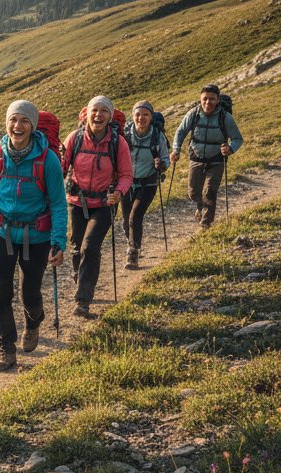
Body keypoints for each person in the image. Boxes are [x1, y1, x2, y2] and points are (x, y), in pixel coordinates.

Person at [0, 101, 67, 370]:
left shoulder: (48, 160)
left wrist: (58, 241)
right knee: (0, 294)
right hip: (1, 232)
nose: (17, 126)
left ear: (32, 126)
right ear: (7, 123)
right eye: (13, 120)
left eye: (24, 121)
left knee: (29, 294)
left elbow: (57, 203)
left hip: (37, 236)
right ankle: (6, 350)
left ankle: (33, 322)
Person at [62, 97, 133, 318]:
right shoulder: (75, 138)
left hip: (104, 203)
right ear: (87, 113)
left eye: (104, 111)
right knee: (76, 248)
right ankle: (80, 277)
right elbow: (61, 167)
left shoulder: (117, 142)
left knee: (90, 247)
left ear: (110, 116)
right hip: (77, 202)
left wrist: (118, 192)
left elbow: (126, 175)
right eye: (95, 110)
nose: (98, 115)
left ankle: (83, 300)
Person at [170, 85, 243, 228]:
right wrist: (176, 149)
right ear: (200, 99)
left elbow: (237, 139)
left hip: (216, 160)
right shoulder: (193, 114)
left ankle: (206, 224)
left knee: (210, 192)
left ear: (217, 101)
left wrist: (230, 149)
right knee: (193, 192)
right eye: (205, 99)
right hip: (196, 158)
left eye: (212, 99)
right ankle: (200, 205)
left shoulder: (225, 117)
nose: (208, 102)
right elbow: (181, 131)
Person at [121, 101, 171, 268]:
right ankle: (132, 242)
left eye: (145, 114)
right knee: (125, 219)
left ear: (150, 117)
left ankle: (133, 251)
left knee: (135, 217)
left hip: (147, 183)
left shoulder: (158, 136)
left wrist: (161, 165)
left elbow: (165, 158)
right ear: (133, 116)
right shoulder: (125, 135)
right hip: (126, 183)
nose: (141, 118)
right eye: (138, 114)